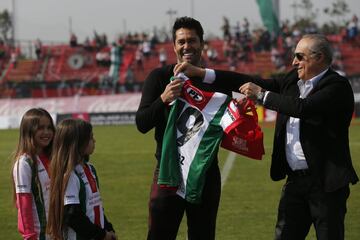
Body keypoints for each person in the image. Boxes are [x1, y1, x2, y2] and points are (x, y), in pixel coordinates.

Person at [177, 33, 359, 240]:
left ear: (319, 57)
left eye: (300, 56)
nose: (294, 62)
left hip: (326, 185)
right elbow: (250, 81)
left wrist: (262, 96)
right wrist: (202, 73)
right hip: (295, 183)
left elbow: (303, 108)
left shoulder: (337, 86)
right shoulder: (292, 80)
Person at [135, 16, 249, 240]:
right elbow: (142, 123)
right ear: (174, 46)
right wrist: (163, 99)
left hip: (205, 173)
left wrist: (238, 110)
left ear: (202, 44)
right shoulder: (159, 78)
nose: (187, 46)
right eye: (181, 41)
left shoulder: (215, 80)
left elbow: (230, 119)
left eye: (192, 40)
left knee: (202, 235)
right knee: (159, 235)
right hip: (168, 172)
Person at [47, 119, 117, 240]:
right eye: (90, 138)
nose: (94, 140)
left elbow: (96, 206)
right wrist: (102, 235)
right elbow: (72, 215)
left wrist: (108, 228)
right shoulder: (70, 176)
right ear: (77, 143)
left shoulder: (91, 169)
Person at [11, 108, 56, 240]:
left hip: (58, 233)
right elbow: (24, 204)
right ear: (29, 131)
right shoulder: (24, 163)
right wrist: (29, 236)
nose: (46, 132)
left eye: (49, 127)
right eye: (40, 128)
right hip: (39, 236)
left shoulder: (53, 158)